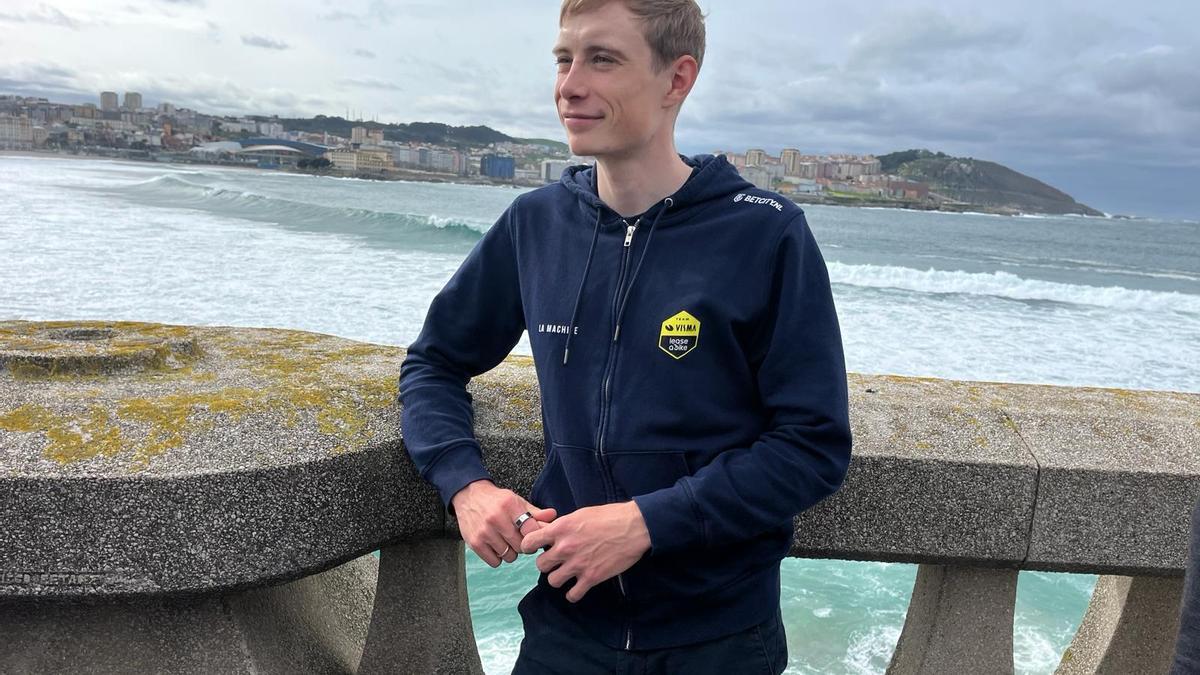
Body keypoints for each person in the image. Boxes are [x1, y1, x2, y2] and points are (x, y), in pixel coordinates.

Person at [398, 1, 852, 672]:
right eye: (563, 59)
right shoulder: (537, 223)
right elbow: (433, 363)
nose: (570, 85)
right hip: (567, 627)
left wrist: (645, 522)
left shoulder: (765, 233)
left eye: (602, 59)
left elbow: (812, 446)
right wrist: (467, 484)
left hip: (720, 637)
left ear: (677, 79)